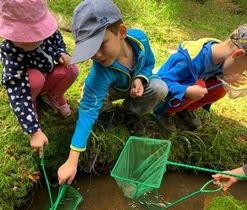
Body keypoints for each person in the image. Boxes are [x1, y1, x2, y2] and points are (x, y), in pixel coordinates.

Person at [57, 0, 168, 185]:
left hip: (134, 89)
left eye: (101, 45)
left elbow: (149, 63)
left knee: (160, 88)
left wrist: (140, 78)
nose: (97, 55)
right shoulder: (100, 71)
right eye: (90, 50)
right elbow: (87, 111)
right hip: (110, 90)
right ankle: (106, 113)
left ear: (122, 33)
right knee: (91, 97)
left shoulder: (140, 40)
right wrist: (72, 160)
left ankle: (131, 112)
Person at [0, 0, 79, 158]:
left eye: (34, 34)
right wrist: (34, 130)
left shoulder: (50, 34)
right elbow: (17, 92)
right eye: (22, 35)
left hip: (48, 76)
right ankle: (33, 105)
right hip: (29, 86)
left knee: (72, 69)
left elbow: (58, 44)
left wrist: (61, 53)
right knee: (34, 79)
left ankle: (54, 96)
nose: (28, 40)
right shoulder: (11, 53)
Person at [153, 23, 247, 133]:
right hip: (164, 96)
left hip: (188, 90)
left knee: (220, 89)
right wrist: (186, 91)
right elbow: (162, 82)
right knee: (198, 85)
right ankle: (166, 112)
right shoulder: (188, 60)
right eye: (244, 68)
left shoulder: (221, 55)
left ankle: (185, 109)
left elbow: (214, 71)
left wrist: (224, 76)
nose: (241, 72)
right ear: (237, 54)